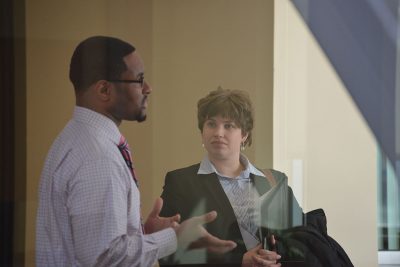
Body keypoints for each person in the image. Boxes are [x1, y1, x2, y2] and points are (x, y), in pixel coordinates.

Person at [35, 36, 237, 267]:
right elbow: (106, 258)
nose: (148, 88)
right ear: (104, 89)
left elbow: (94, 243)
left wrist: (142, 233)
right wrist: (175, 238)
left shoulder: (74, 138)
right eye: (139, 79)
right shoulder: (98, 157)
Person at [159, 88, 303, 266]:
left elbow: (301, 245)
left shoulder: (274, 181)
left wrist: (275, 257)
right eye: (211, 124)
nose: (218, 132)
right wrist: (238, 262)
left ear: (244, 134)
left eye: (229, 126)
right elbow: (167, 254)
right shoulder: (180, 183)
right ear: (202, 131)